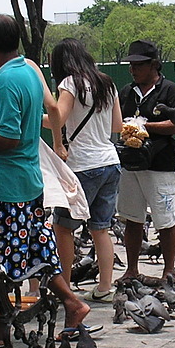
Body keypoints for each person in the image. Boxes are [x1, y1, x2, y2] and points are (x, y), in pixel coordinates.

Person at [0, 14, 91, 341]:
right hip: (28, 182)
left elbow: (8, 138)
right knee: (35, 247)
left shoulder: (4, 80)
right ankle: (71, 303)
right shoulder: (29, 71)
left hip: (3, 186)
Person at [50, 38, 123, 303]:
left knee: (63, 227)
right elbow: (117, 125)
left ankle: (65, 289)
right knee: (100, 229)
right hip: (110, 162)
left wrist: (33, 114)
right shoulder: (107, 82)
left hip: (82, 166)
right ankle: (105, 288)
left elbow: (57, 117)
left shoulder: (70, 83)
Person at [116, 39, 175, 281]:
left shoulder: (169, 91)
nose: (133, 70)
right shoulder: (126, 92)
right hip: (131, 163)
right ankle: (132, 269)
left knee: (165, 220)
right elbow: (118, 120)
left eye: (138, 65)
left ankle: (169, 270)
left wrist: (144, 125)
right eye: (131, 66)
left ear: (154, 65)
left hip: (160, 164)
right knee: (132, 219)